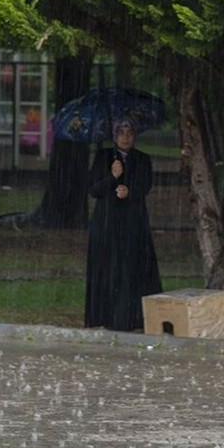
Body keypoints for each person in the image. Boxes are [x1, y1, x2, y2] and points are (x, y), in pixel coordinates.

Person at [85, 118, 163, 331]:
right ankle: (106, 315)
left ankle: (132, 317)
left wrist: (130, 192)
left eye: (129, 132)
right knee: (109, 268)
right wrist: (113, 177)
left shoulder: (142, 159)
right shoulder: (104, 157)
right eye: (121, 132)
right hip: (107, 221)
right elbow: (94, 189)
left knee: (131, 267)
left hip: (132, 221)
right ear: (114, 135)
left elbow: (145, 185)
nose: (125, 137)